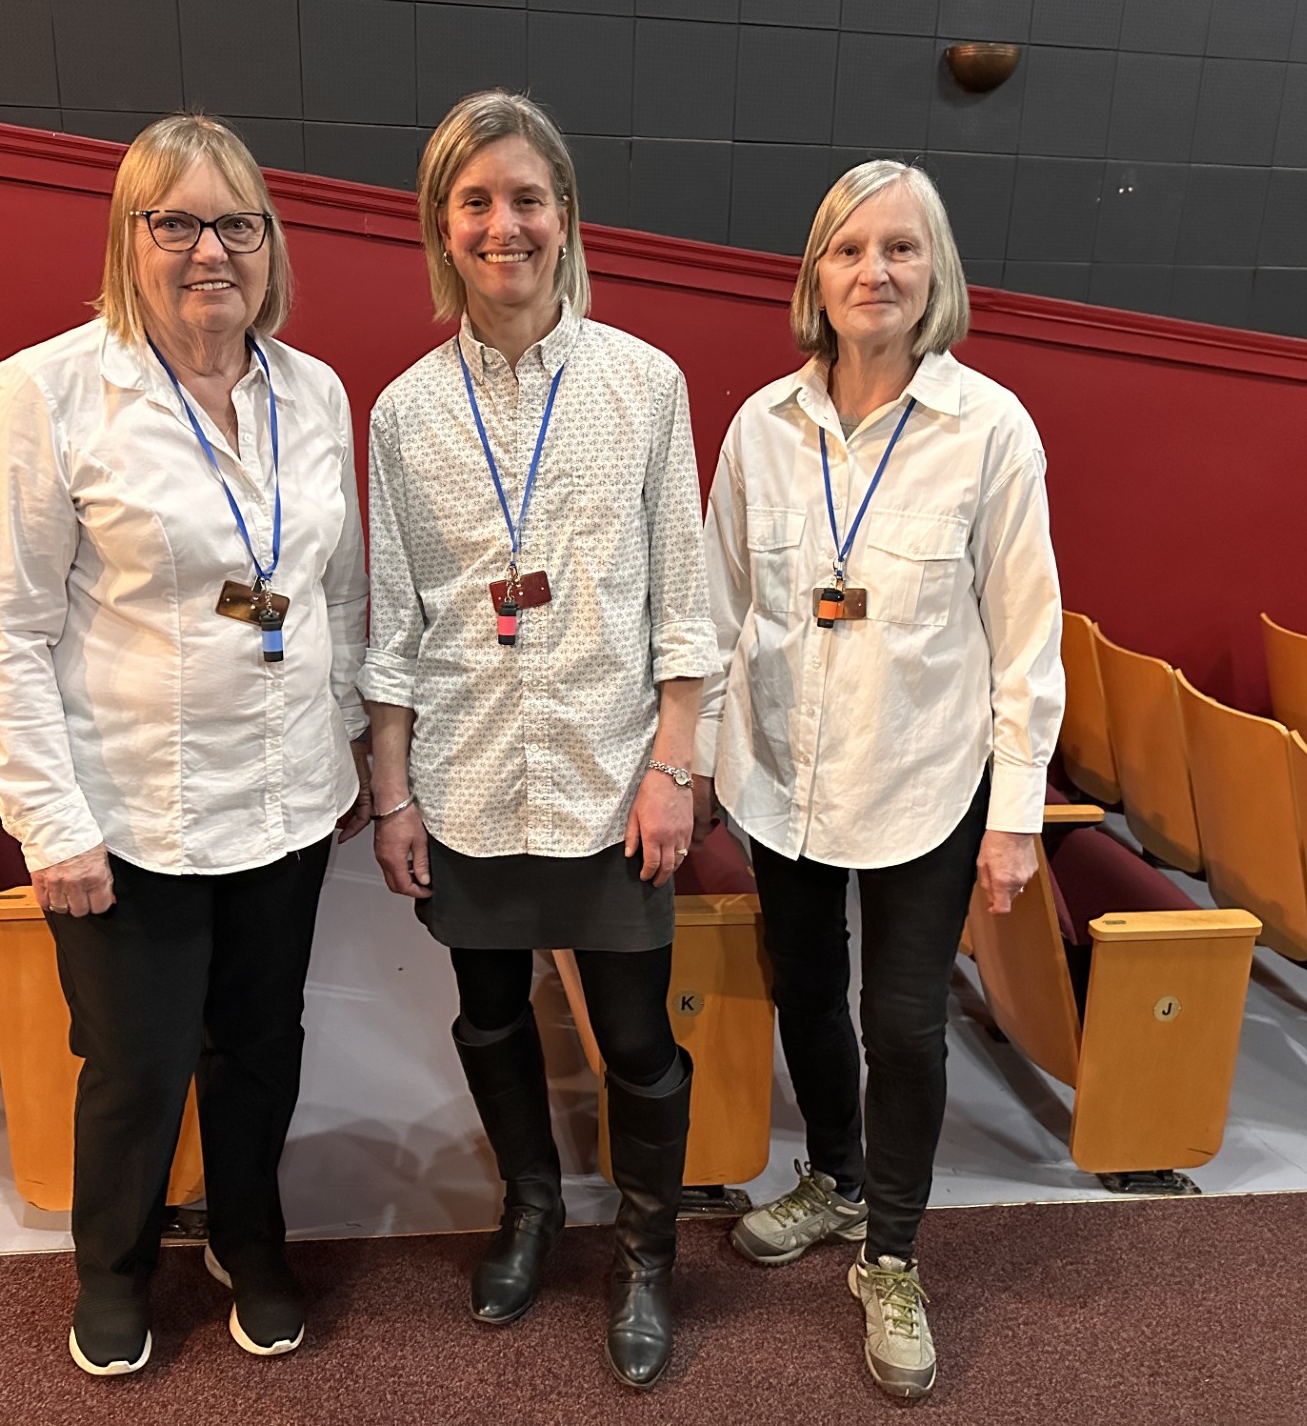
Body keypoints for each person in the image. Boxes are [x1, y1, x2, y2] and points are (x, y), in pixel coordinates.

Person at [0, 114, 369, 1377]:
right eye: (175, 221)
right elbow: (2, 629)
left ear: (269, 243)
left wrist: (346, 747)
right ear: (129, 239)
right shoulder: (48, 391)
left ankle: (251, 1238)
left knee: (262, 1046)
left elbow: (335, 593)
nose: (209, 250)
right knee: (132, 1064)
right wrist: (52, 824)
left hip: (285, 800)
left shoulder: (314, 390)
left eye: (235, 222)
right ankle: (116, 1264)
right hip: (125, 811)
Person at [361, 89, 717, 1391]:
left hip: (614, 783)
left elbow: (687, 593)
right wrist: (393, 790)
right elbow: (394, 615)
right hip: (465, 779)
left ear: (565, 219)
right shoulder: (403, 414)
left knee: (635, 1042)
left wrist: (675, 764)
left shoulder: (645, 385)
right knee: (492, 1021)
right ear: (442, 228)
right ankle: (531, 1208)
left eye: (526, 199)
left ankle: (645, 1253)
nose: (503, 226)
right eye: (476, 202)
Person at [695, 160, 1063, 1401]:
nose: (875, 273)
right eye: (850, 251)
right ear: (816, 274)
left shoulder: (991, 431)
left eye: (902, 250)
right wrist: (692, 765)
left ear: (934, 274)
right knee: (804, 987)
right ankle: (838, 1182)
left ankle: (893, 1253)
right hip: (783, 772)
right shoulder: (761, 426)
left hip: (924, 779)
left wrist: (1017, 815)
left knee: (902, 1023)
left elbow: (1027, 633)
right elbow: (718, 604)